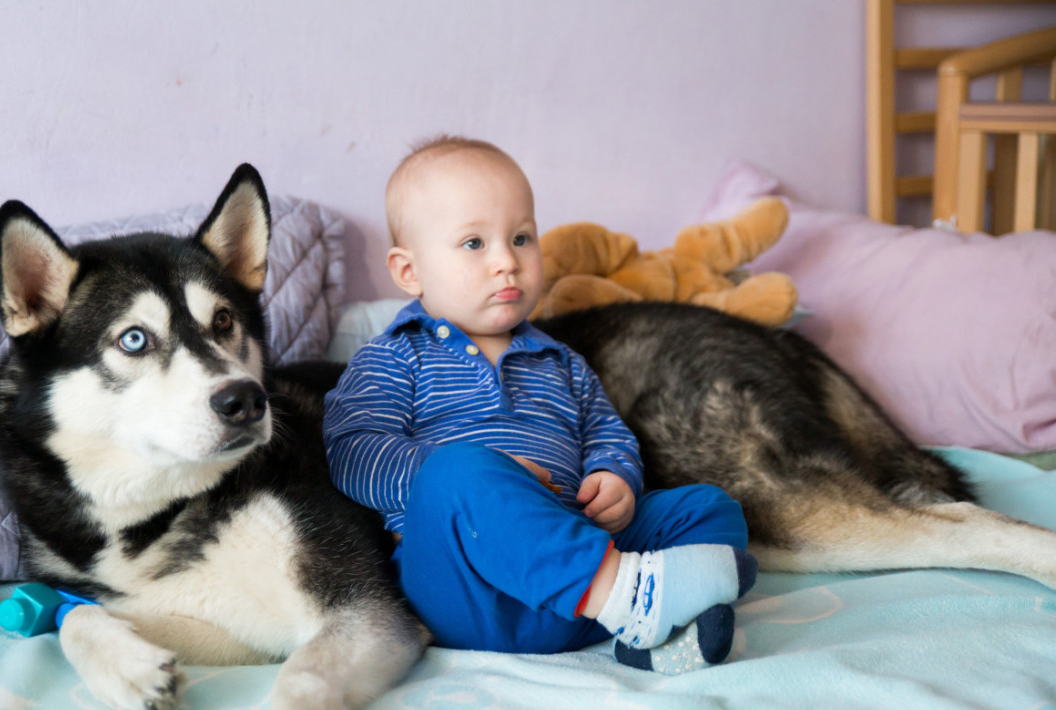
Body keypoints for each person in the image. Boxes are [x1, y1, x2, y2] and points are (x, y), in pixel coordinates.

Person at [323, 136, 755, 673]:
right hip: (469, 592)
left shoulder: (562, 360)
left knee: (709, 507)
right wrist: (485, 475)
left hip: (577, 571)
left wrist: (613, 475)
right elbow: (353, 452)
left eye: (522, 237)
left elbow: (607, 432)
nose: (507, 260)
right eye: (474, 244)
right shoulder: (391, 358)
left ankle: (651, 634)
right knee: (459, 470)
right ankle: (632, 597)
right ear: (409, 271)